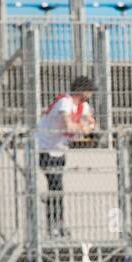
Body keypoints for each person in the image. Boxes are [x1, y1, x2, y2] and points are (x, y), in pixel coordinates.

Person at [36, 75, 96, 236]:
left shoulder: (83, 106)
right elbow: (69, 126)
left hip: (60, 149)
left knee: (57, 187)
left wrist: (85, 127)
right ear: (82, 91)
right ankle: (54, 224)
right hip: (44, 148)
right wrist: (82, 128)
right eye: (89, 91)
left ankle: (58, 220)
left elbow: (91, 124)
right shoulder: (65, 102)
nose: (90, 95)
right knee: (55, 185)